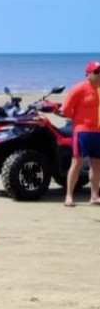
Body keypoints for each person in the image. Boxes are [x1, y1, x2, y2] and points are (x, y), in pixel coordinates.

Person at [61, 61, 100, 207]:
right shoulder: (80, 88)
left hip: (98, 132)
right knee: (77, 163)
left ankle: (94, 196)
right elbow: (66, 109)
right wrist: (78, 120)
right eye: (96, 72)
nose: (99, 75)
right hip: (82, 131)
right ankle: (69, 196)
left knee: (97, 165)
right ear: (87, 74)